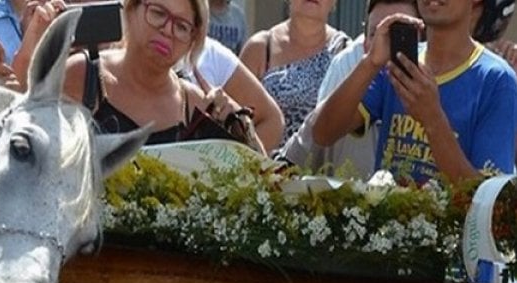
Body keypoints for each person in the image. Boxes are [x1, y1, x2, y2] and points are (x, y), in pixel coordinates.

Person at [14, 0, 266, 153]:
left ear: (193, 39)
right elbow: (25, 129)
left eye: (181, 26)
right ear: (131, 10)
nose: (167, 30)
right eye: (158, 13)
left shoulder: (194, 104)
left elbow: (259, 170)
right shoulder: (82, 75)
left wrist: (237, 124)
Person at [311, 3, 517, 185]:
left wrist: (433, 119)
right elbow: (323, 133)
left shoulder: (497, 80)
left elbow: (489, 199)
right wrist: (370, 63)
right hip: (387, 226)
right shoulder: (399, 62)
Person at [280, 0, 420, 178]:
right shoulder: (348, 66)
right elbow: (319, 136)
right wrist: (369, 65)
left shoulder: (438, 79)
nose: (385, 44)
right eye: (375, 34)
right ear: (364, 42)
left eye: (400, 34)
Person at [239, 0, 350, 151]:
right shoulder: (260, 48)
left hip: (325, 170)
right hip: (264, 169)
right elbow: (235, 123)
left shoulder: (345, 52)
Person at [180, 36, 285, 151]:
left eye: (181, 26)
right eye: (159, 16)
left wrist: (234, 161)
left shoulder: (212, 56)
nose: (168, 29)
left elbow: (272, 120)